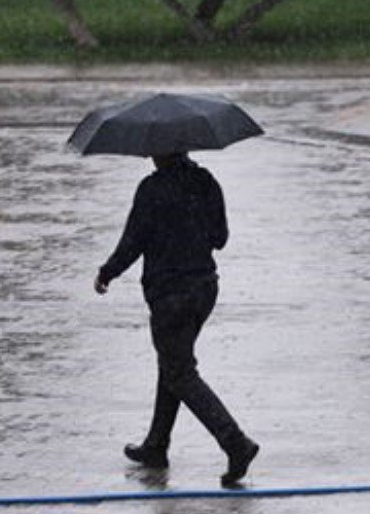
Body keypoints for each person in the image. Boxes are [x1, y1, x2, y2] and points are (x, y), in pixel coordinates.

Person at [95, 152, 259, 487]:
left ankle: (235, 443)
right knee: (173, 363)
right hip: (203, 290)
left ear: (160, 153)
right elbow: (220, 238)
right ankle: (156, 445)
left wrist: (107, 273)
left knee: (180, 372)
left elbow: (133, 242)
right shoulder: (206, 182)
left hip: (170, 295)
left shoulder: (151, 189)